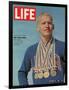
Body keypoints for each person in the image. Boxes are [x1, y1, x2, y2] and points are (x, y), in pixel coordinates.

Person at [18, 13, 65, 86]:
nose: (47, 26)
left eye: (49, 23)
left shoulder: (63, 46)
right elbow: (21, 72)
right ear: (38, 28)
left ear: (53, 27)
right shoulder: (30, 50)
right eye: (43, 23)